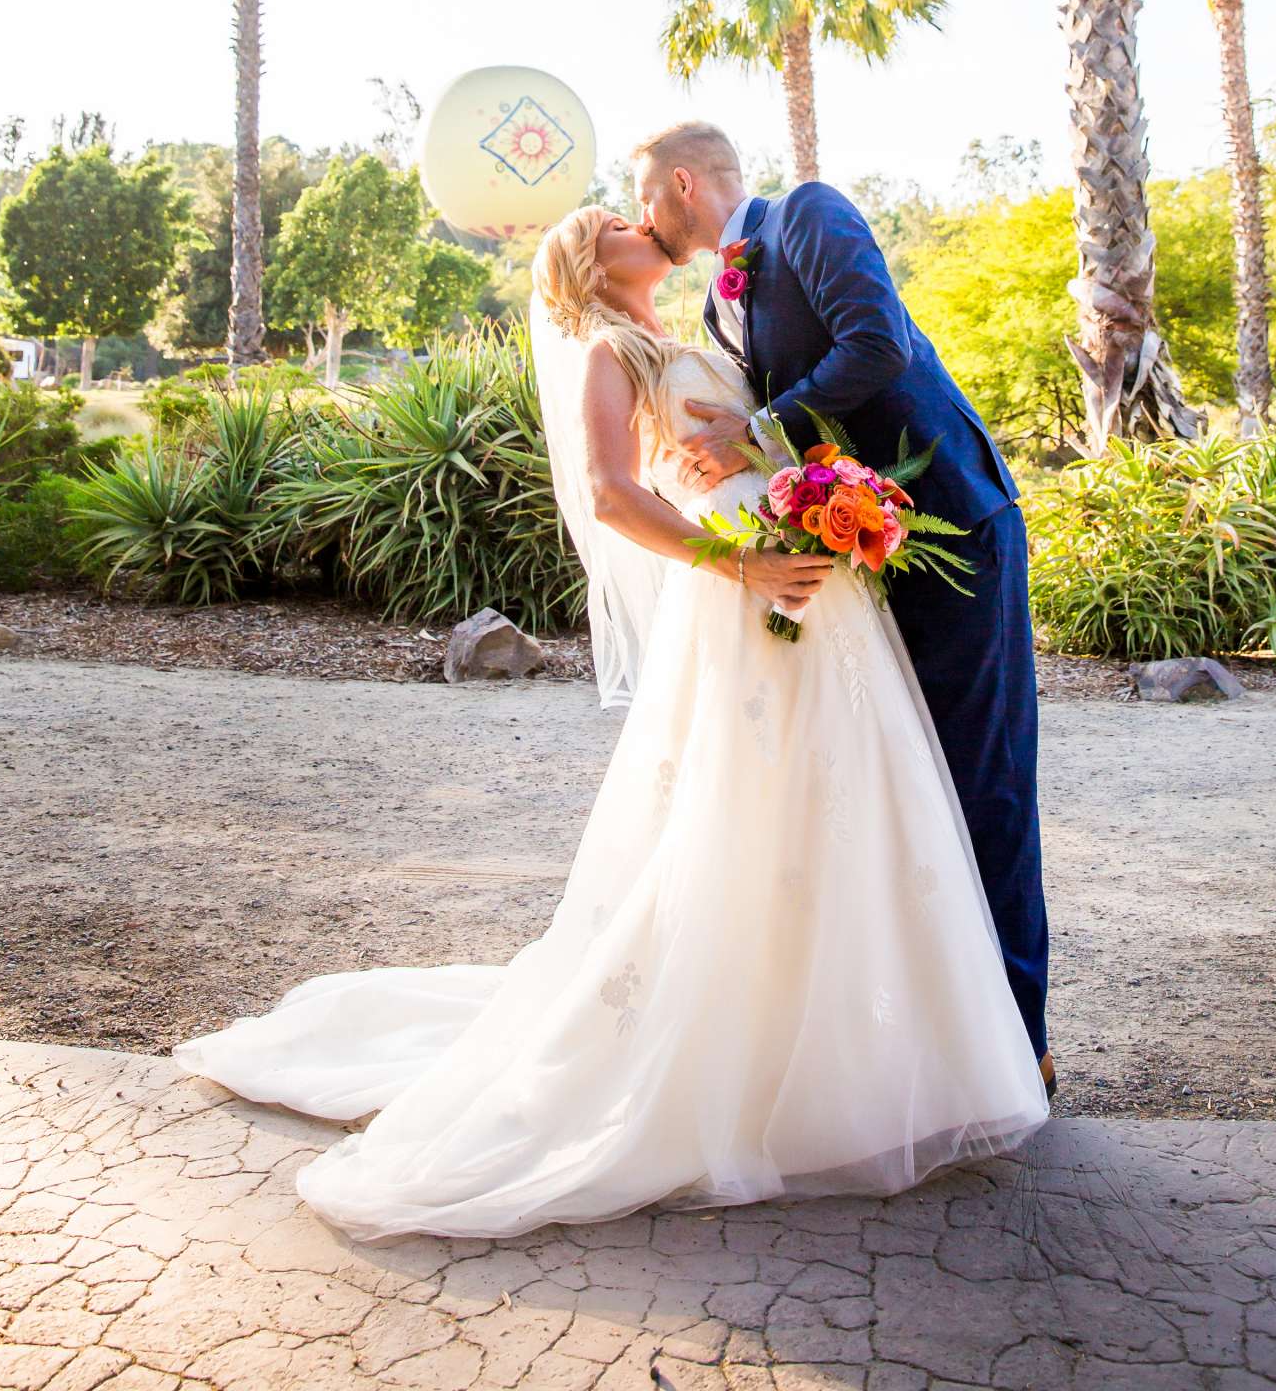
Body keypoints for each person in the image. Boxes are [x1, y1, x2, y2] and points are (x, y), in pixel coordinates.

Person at [173, 197, 1048, 1242]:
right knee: (749, 809)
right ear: (597, 255)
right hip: (744, 589)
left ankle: (852, 1035)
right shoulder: (601, 350)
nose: (644, 221)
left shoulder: (684, 336)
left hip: (805, 589)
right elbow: (610, 496)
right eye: (620, 218)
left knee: (834, 805)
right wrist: (746, 563)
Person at [631, 120, 1051, 1086]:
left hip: (954, 521)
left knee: (983, 778)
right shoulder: (713, 305)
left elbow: (879, 344)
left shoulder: (809, 214)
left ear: (683, 185)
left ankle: (1021, 1046)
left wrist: (759, 430)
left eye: (646, 196)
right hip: (862, 554)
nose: (644, 217)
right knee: (903, 787)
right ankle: (938, 1040)